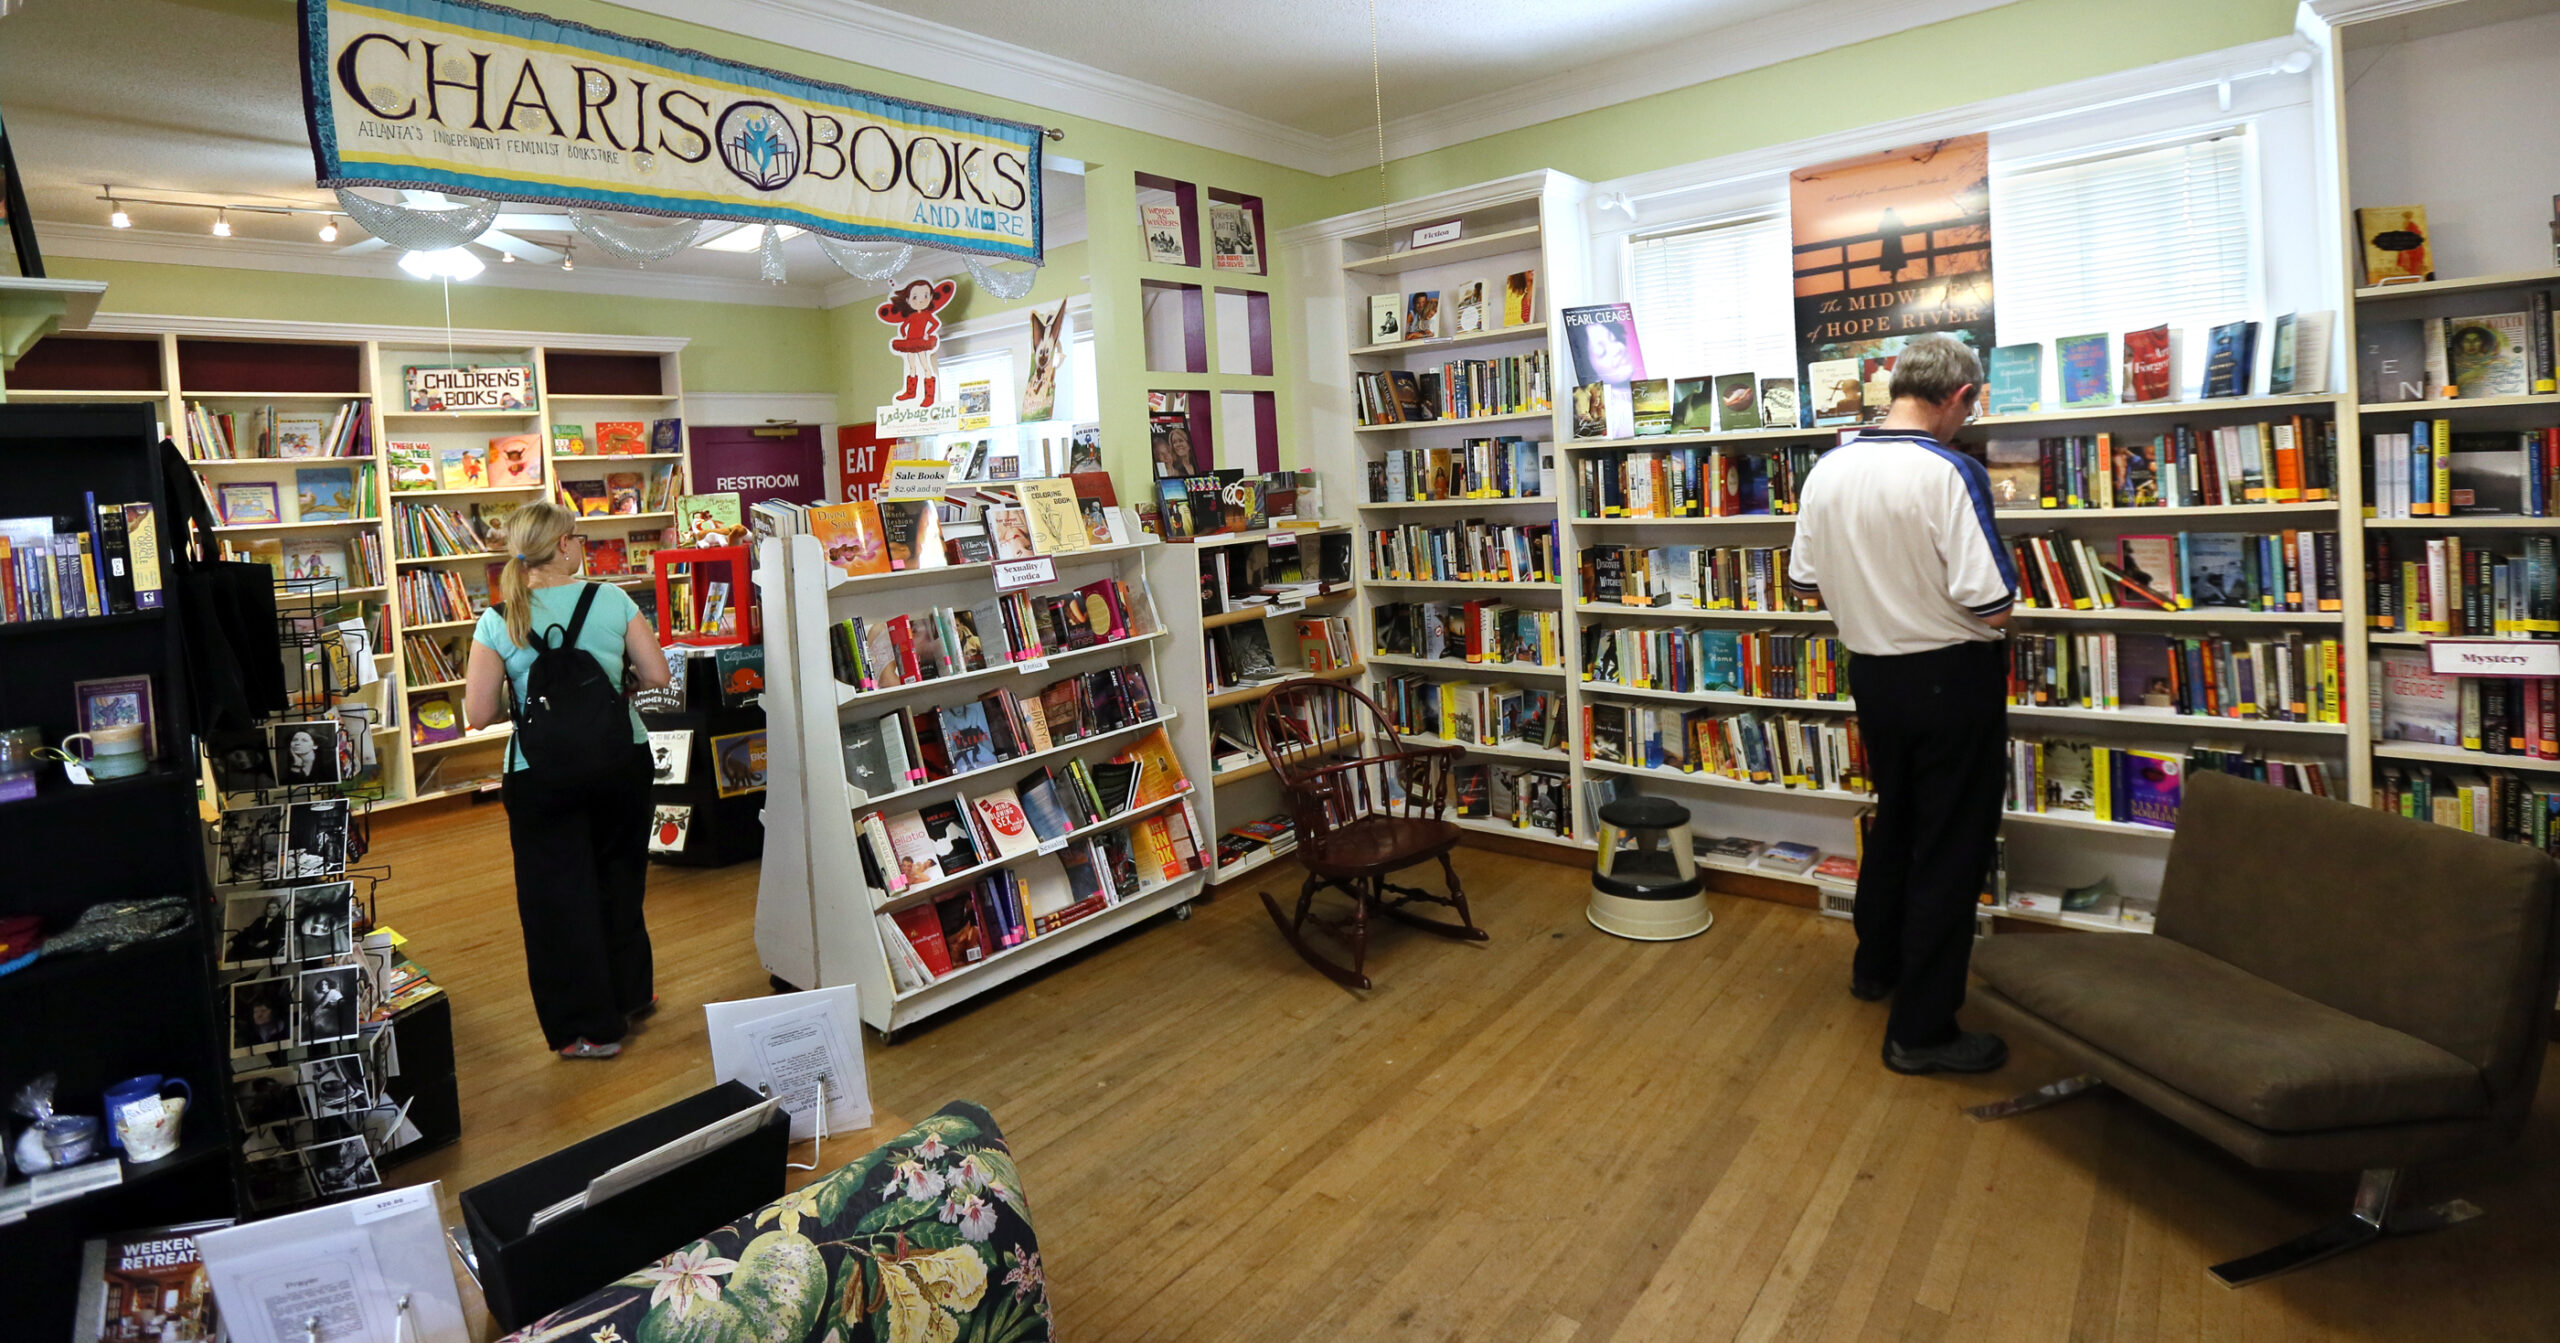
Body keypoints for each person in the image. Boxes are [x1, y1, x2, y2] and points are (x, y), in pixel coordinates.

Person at [1786, 334, 2018, 1076]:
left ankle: (1874, 967)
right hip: (1952, 680)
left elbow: (1804, 583)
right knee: (1950, 849)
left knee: (1896, 823)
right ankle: (1922, 1030)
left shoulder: (1828, 467)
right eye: (1969, 407)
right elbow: (1993, 606)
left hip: (1874, 677)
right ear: (1958, 397)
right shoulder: (1953, 470)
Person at [464, 501, 672, 1060]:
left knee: (556, 899)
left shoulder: (498, 618)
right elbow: (657, 674)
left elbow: (478, 713)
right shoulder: (613, 599)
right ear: (562, 546)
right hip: (620, 760)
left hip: (539, 775)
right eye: (576, 539)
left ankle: (589, 1030)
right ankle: (630, 994)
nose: (580, 546)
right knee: (620, 878)